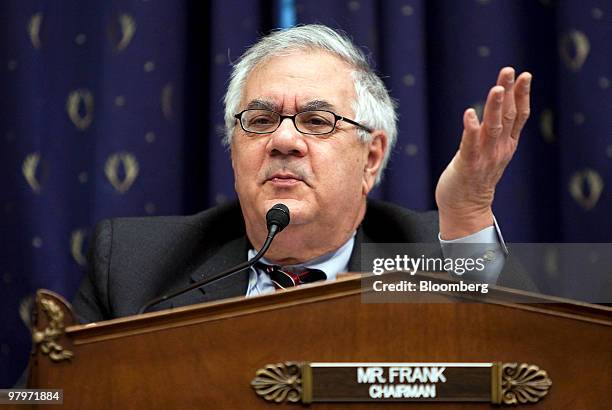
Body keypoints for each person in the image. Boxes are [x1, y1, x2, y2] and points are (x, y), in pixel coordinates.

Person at [73, 25, 534, 322]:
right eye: (260, 120)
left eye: (318, 122)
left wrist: (468, 211)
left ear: (371, 158)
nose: (284, 141)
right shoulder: (135, 268)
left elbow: (538, 368)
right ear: (234, 152)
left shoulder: (433, 253)